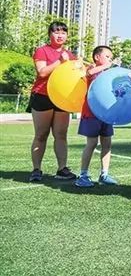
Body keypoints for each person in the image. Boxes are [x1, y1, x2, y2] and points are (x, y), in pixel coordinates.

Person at [28, 21, 78, 182]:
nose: (60, 35)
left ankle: (62, 169)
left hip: (63, 98)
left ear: (67, 36)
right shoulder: (42, 51)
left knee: (61, 134)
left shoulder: (70, 55)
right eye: (56, 32)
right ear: (50, 34)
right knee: (41, 134)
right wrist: (60, 62)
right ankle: (36, 169)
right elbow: (42, 72)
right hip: (42, 96)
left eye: (63, 32)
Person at [74, 46, 118, 187]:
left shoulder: (107, 73)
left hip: (106, 114)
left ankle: (104, 174)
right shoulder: (93, 69)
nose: (109, 60)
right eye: (107, 56)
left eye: (111, 58)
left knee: (107, 144)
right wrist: (106, 66)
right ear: (97, 57)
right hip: (91, 113)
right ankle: (83, 175)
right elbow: (90, 72)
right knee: (92, 143)